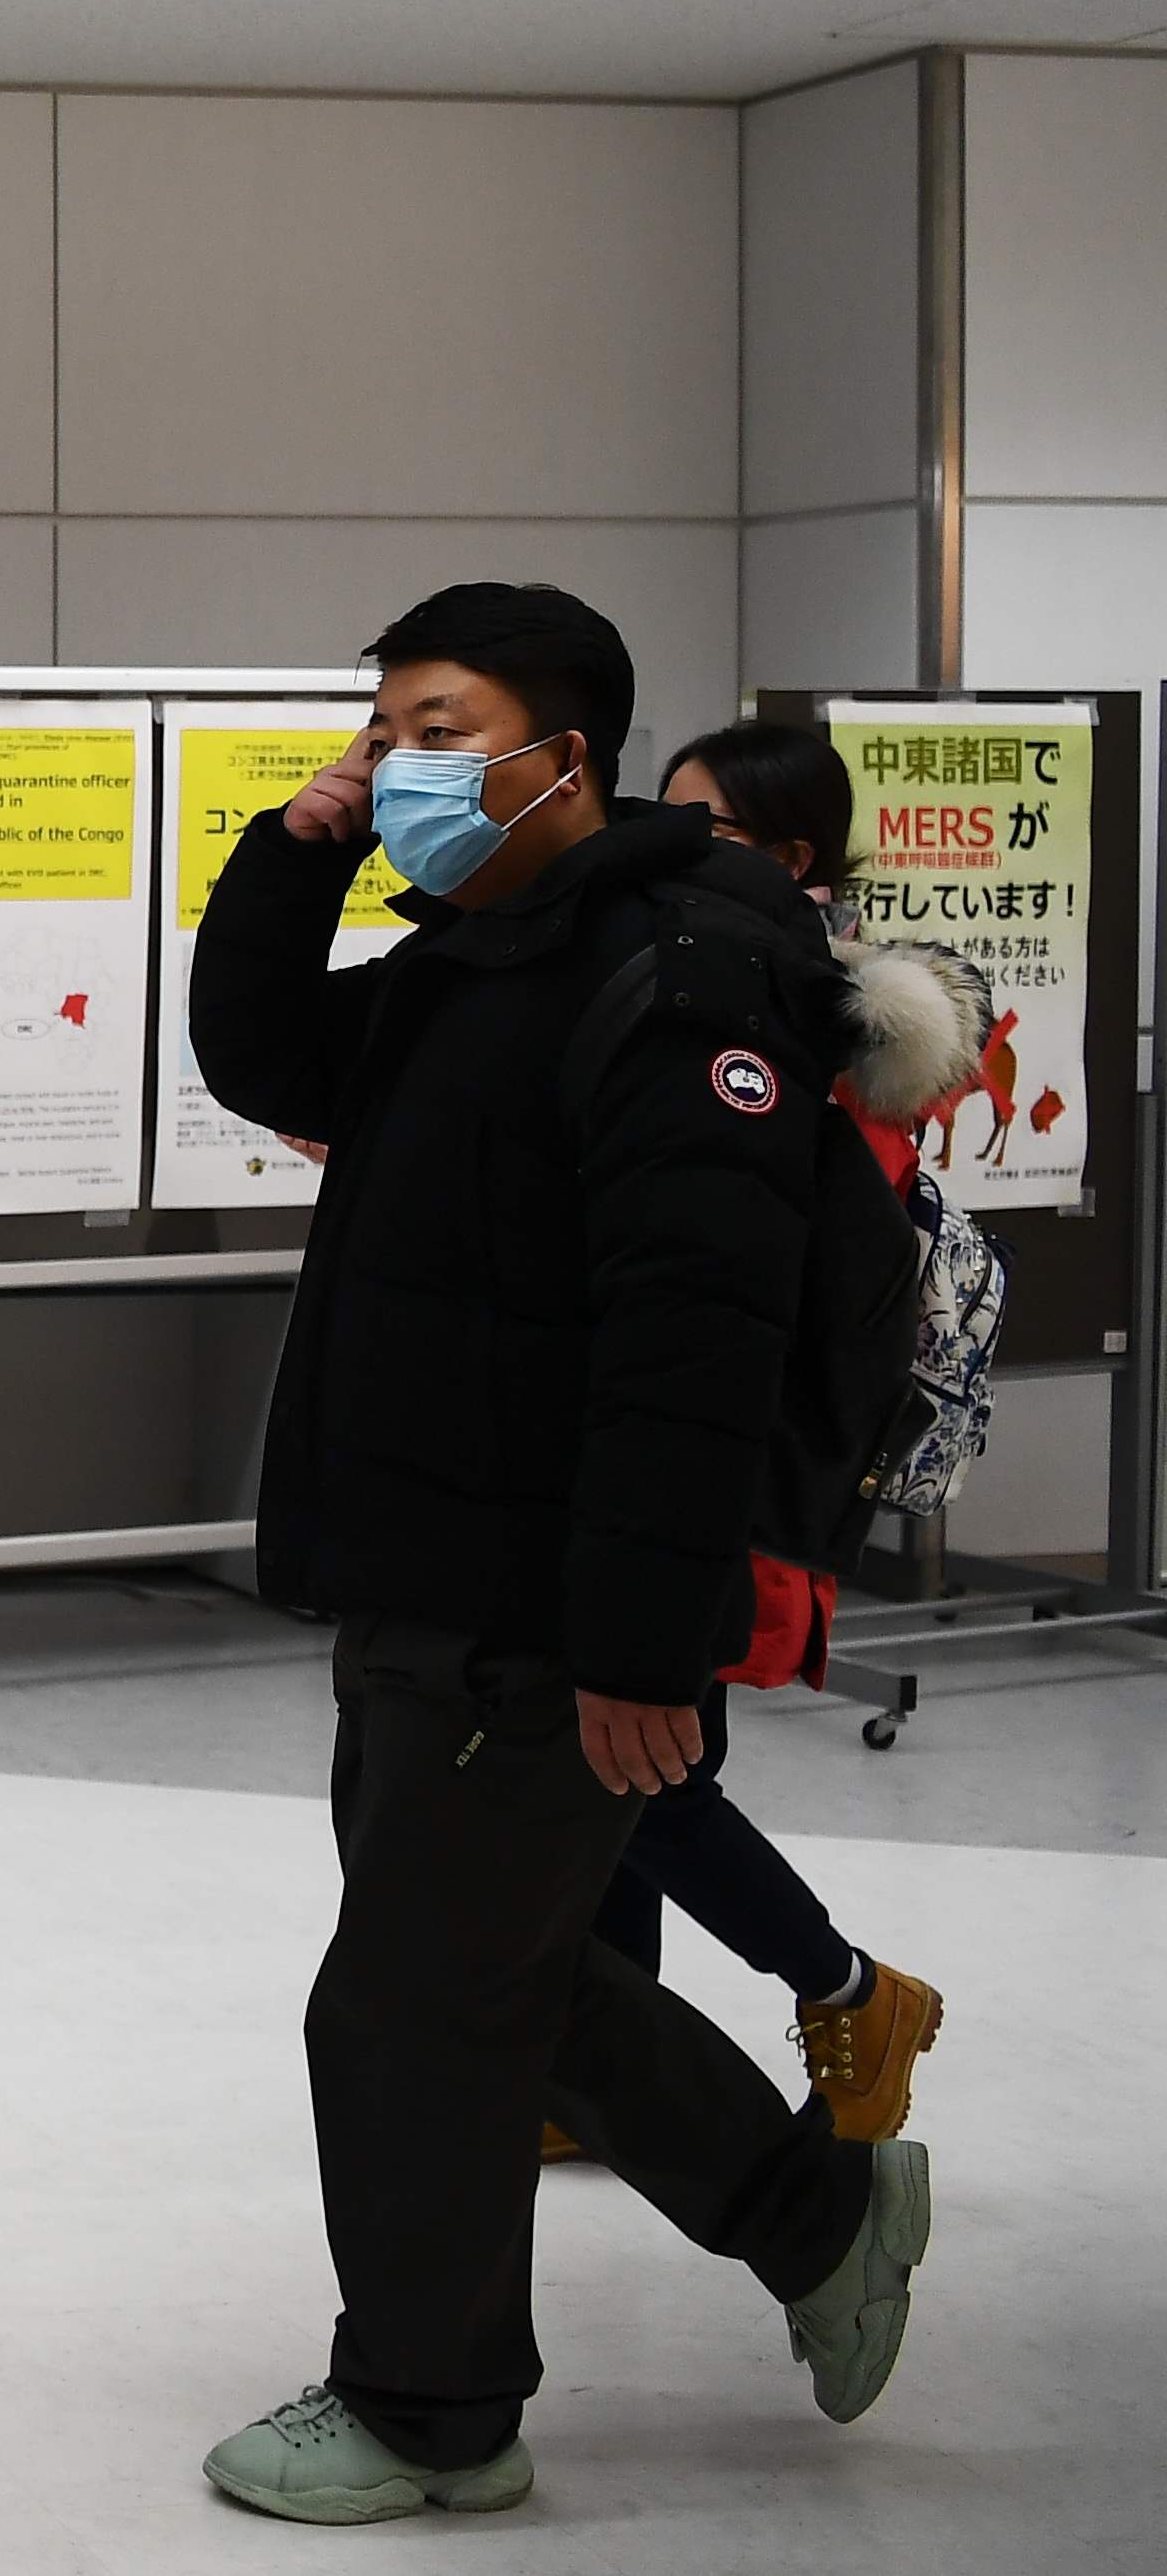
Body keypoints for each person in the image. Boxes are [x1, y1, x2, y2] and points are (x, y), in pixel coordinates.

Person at [183, 585, 929, 2527]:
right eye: (384, 727)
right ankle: (813, 2205)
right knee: (490, 1973)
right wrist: (293, 848)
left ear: (557, 752)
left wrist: (634, 1641)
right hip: (425, 1568)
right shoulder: (483, 958)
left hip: (538, 1603)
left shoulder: (675, 980)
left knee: (410, 2002)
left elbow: (691, 1342)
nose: (397, 760)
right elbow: (270, 1056)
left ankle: (433, 2405)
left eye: (435, 725)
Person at [567, 726, 953, 2145]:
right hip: (668, 1447)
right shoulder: (735, 987)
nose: (669, 849)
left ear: (791, 859)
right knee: (618, 1771)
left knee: (650, 1777)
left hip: (722, 1454)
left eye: (703, 826)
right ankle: (596, 2070)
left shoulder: (804, 1027)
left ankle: (849, 1985)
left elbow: (775, 1284)